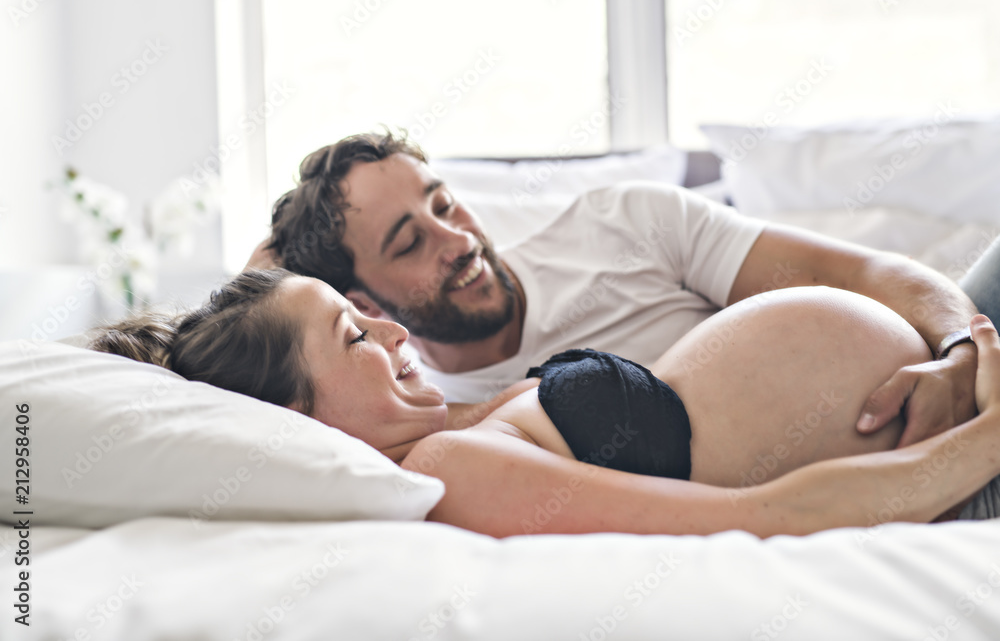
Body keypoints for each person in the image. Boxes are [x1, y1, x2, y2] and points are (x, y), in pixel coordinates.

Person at [89, 268, 1000, 538]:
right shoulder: (450, 467)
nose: (398, 333)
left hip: (954, 390)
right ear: (304, 416)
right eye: (356, 336)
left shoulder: (463, 429)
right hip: (964, 460)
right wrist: (986, 439)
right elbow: (758, 516)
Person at [249, 130, 997, 450]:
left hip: (963, 363)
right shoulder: (425, 412)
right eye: (409, 242)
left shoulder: (627, 221)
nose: (457, 241)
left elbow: (863, 274)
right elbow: (241, 350)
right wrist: (269, 272)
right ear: (366, 305)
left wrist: (962, 350)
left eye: (444, 203)